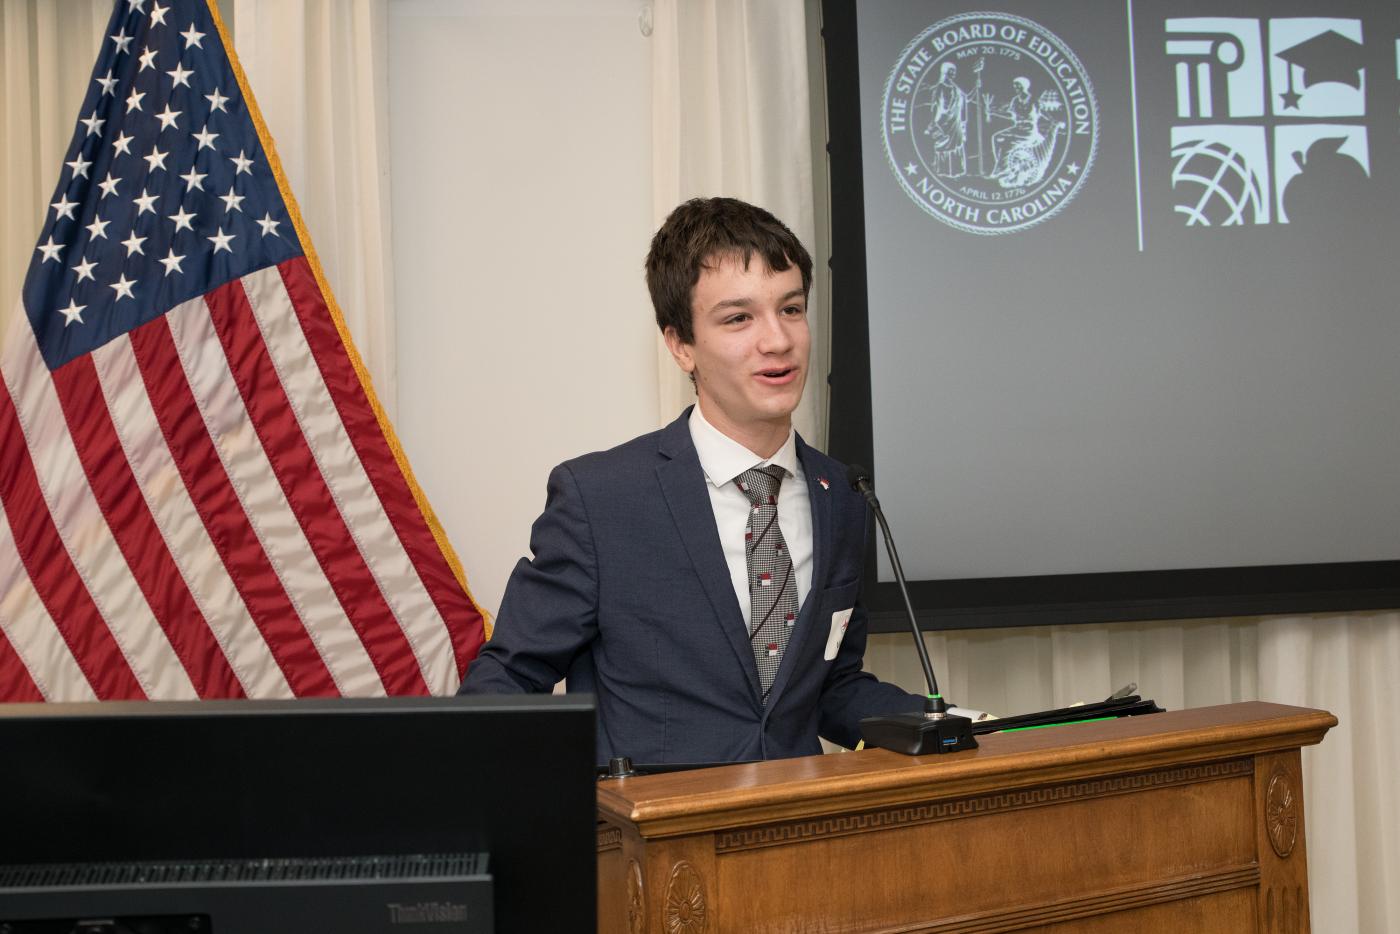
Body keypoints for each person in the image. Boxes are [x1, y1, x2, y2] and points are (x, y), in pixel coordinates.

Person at [458, 197, 924, 763]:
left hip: (802, 831)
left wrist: (940, 722)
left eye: (792, 309)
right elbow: (509, 677)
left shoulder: (843, 496)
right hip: (656, 839)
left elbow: (829, 686)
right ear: (680, 344)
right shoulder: (602, 498)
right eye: (738, 318)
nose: (778, 340)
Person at [924, 62, 968, 177]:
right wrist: (935, 121)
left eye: (954, 71)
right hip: (944, 121)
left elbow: (965, 100)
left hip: (955, 121)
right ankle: (943, 170)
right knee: (944, 144)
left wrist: (976, 88)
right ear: (945, 72)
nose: (953, 73)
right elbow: (938, 105)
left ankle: (956, 170)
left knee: (956, 144)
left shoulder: (956, 88)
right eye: (950, 71)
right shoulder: (940, 87)